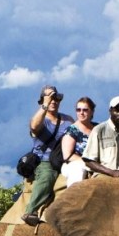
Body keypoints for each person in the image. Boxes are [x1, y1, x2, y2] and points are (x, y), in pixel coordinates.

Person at [21, 85, 75, 226]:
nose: (53, 101)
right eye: (50, 98)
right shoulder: (40, 120)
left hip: (66, 159)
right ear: (43, 100)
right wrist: (44, 105)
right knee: (47, 177)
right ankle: (30, 210)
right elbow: (34, 126)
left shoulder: (68, 120)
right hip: (45, 161)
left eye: (56, 98)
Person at [83, 96, 119, 178]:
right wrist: (112, 173)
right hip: (104, 174)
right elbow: (88, 161)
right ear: (110, 111)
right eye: (117, 111)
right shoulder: (99, 130)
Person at [58, 97, 97, 186]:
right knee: (78, 169)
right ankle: (72, 198)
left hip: (97, 162)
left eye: (85, 110)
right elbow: (67, 156)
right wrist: (89, 163)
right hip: (74, 164)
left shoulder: (98, 128)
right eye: (78, 110)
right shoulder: (72, 130)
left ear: (92, 111)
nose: (81, 113)